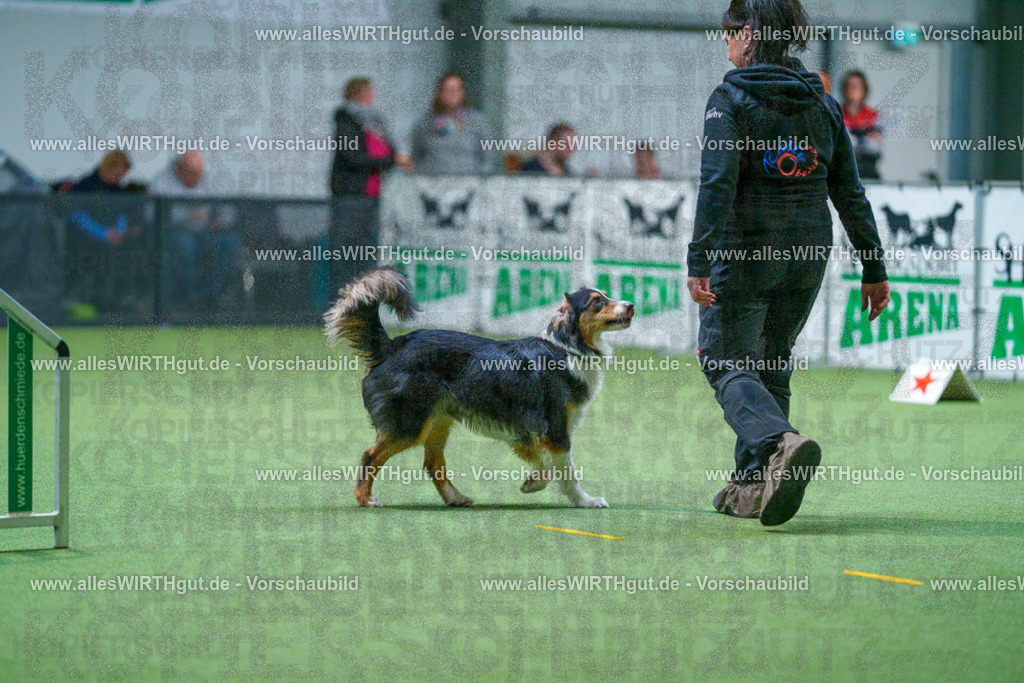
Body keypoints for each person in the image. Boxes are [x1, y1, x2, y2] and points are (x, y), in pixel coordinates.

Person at [686, 0, 890, 526]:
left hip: (747, 251)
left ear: (750, 35)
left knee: (725, 359)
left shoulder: (728, 99)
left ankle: (778, 443)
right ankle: (752, 485)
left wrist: (699, 256)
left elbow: (717, 185)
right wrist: (874, 267)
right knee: (771, 360)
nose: (726, 43)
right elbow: (849, 190)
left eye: (730, 33)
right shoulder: (822, 103)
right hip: (806, 253)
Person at [328, 77, 400, 295]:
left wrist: (392, 158)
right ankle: (340, 306)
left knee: (366, 257)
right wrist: (390, 161)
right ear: (357, 95)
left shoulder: (376, 124)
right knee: (346, 256)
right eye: (369, 93)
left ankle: (362, 305)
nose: (373, 98)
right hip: (351, 198)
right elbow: (355, 158)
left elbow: (390, 150)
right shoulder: (346, 122)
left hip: (373, 197)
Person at [150, 151, 241, 311]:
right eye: (192, 173)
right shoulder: (162, 182)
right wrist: (187, 218)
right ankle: (189, 300)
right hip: (172, 235)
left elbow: (227, 212)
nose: (197, 178)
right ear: (180, 169)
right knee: (185, 245)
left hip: (206, 234)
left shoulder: (209, 181)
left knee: (229, 243)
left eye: (199, 173)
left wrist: (216, 221)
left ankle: (210, 297)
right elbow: (151, 216)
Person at [409, 73, 492, 175]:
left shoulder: (477, 122)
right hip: (433, 185)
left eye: (458, 89)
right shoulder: (424, 124)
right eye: (449, 89)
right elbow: (417, 158)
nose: (453, 93)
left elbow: (486, 158)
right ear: (439, 93)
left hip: (468, 185)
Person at [840, 70, 883, 180]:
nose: (851, 90)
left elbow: (874, 146)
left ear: (864, 90)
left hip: (867, 173)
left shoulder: (873, 116)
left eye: (855, 86)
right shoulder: (836, 114)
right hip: (842, 173)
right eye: (847, 85)